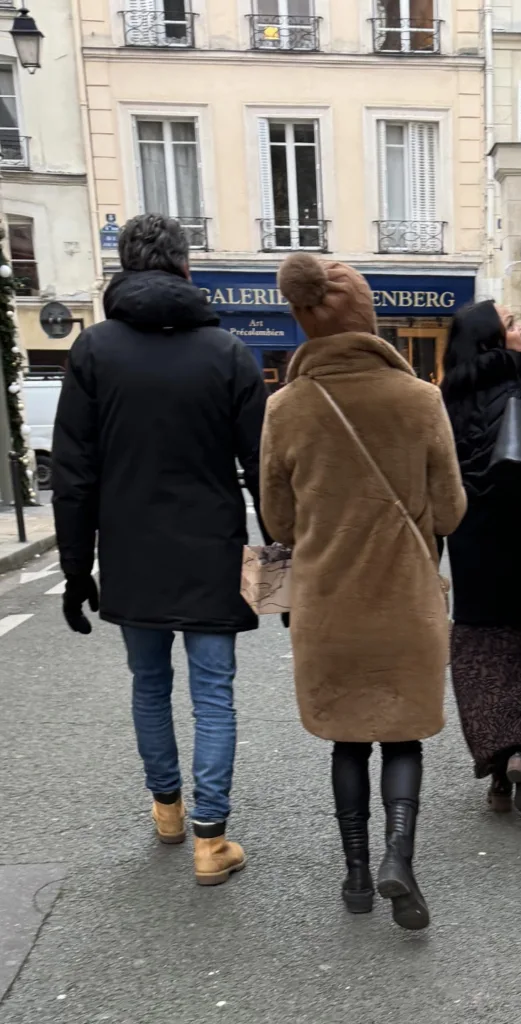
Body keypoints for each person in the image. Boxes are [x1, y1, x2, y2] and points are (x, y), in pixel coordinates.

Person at [52, 214, 267, 886]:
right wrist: (283, 569)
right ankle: (212, 839)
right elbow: (265, 473)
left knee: (149, 685)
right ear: (185, 268)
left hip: (130, 552)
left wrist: (73, 566)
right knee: (214, 694)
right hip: (211, 550)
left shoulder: (92, 352)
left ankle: (167, 809)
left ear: (125, 267)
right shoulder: (229, 353)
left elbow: (73, 471)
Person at [260, 254, 466, 931]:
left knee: (347, 740)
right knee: (401, 737)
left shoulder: (285, 409)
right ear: (369, 318)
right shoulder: (421, 400)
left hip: (327, 610)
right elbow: (452, 509)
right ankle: (398, 860)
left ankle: (353, 874)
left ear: (302, 320)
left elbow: (279, 522)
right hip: (406, 604)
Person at [442, 300, 521, 817]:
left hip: (472, 545)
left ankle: (499, 767)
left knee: (481, 657)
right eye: (514, 325)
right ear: (495, 341)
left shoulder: (444, 398)